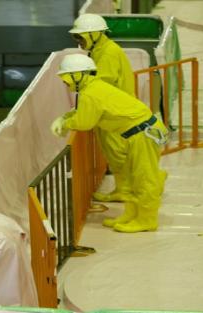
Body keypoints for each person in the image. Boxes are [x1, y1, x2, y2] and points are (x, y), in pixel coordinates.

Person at [51, 54, 167, 233]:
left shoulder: (91, 93)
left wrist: (64, 123)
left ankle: (147, 219)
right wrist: (65, 117)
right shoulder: (94, 87)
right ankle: (131, 214)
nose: (65, 83)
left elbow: (84, 122)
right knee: (130, 177)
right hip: (138, 134)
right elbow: (85, 112)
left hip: (143, 134)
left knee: (144, 178)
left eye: (66, 77)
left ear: (77, 75)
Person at [69, 13, 135, 203]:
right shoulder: (100, 50)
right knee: (116, 153)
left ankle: (127, 190)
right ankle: (125, 187)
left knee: (118, 153)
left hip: (114, 113)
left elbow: (101, 84)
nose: (79, 42)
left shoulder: (107, 53)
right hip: (111, 111)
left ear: (94, 34)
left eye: (80, 37)